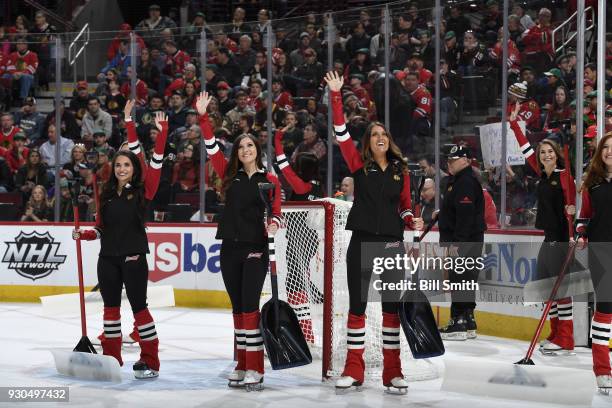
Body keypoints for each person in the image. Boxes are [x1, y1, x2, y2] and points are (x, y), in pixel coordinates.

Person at [325, 71, 423, 392]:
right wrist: (336, 96)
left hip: (392, 245)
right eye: (374, 134)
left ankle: (393, 372)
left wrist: (413, 220)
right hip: (362, 242)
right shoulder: (358, 164)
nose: (379, 136)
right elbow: (340, 133)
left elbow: (406, 205)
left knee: (391, 309)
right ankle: (354, 370)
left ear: (389, 141)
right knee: (358, 306)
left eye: (383, 133)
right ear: (368, 143)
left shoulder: (401, 170)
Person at [71, 110, 169, 379]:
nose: (122, 169)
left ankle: (150, 360)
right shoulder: (106, 195)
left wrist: (138, 127)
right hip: (108, 259)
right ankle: (111, 358)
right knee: (110, 310)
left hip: (134, 257)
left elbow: (156, 162)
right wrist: (85, 235)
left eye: (127, 165)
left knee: (139, 308)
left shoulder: (143, 190)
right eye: (118, 166)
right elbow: (101, 229)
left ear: (134, 168)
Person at [196, 91, 282, 390]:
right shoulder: (229, 175)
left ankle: (256, 367)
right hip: (229, 247)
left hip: (255, 249)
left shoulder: (269, 181)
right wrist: (203, 117)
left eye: (250, 145)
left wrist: (273, 224)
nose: (245, 149)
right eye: (241, 146)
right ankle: (242, 362)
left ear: (257, 150)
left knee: (249, 307)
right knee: (236, 308)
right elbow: (210, 147)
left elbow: (278, 213)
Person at [509, 102, 577, 354]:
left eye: (550, 152)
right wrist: (514, 125)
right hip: (548, 238)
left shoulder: (563, 176)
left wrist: (572, 223)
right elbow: (526, 148)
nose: (546, 155)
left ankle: (566, 338)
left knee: (561, 289)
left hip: (560, 239)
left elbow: (572, 211)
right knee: (550, 288)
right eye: (543, 152)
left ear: (557, 153)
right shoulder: (544, 175)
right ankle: (555, 333)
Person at [274, 126, 325, 343]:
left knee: (294, 285)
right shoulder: (318, 186)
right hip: (309, 239)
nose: (294, 167)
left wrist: (277, 140)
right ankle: (306, 332)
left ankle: (307, 334)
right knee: (297, 283)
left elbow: (284, 167)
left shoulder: (302, 187)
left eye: (297, 166)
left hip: (299, 240)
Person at [437, 144, 485, 341]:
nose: (450, 163)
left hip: (463, 240)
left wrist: (458, 244)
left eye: (454, 159)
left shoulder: (464, 181)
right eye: (448, 160)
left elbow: (465, 216)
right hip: (468, 239)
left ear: (466, 160)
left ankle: (457, 321)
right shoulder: (460, 181)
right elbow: (459, 210)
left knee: (459, 279)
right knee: (466, 279)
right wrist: (443, 214)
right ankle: (468, 319)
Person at [576, 132, 612, 392]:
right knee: (606, 308)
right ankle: (602, 369)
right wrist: (580, 231)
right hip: (601, 252)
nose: (609, 151)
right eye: (606, 147)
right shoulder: (593, 184)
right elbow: (584, 217)